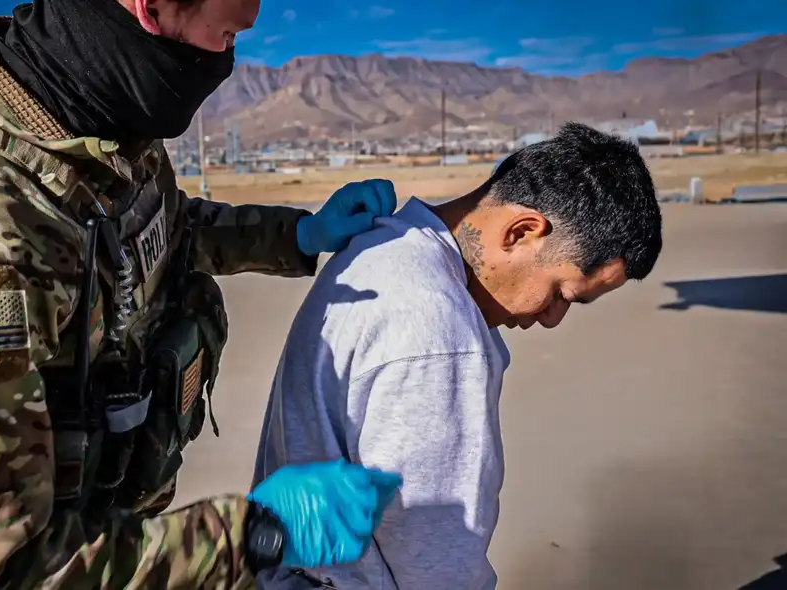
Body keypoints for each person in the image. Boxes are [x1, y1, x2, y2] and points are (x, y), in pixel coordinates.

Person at [0, 0, 404, 588]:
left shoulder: (92, 113)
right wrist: (256, 536)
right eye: (228, 33)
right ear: (149, 7)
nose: (229, 57)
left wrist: (298, 234)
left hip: (118, 526)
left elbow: (156, 228)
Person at [251, 122, 664, 589]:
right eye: (562, 293)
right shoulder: (438, 333)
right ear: (522, 231)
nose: (551, 318)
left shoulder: (382, 244)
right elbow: (434, 554)